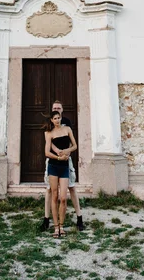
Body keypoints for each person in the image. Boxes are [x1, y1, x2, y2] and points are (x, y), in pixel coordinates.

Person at [41, 100, 84, 232]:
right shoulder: (49, 124)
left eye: (59, 108)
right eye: (55, 108)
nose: (57, 109)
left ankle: (79, 218)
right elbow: (48, 142)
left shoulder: (67, 123)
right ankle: (47, 219)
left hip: (67, 161)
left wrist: (66, 152)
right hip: (54, 161)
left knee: (71, 187)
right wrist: (58, 152)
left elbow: (72, 143)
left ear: (62, 109)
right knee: (50, 190)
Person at [44, 110, 77, 238]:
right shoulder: (50, 134)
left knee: (63, 198)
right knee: (54, 196)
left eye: (59, 118)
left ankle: (62, 226)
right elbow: (47, 152)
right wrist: (58, 158)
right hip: (53, 166)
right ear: (52, 120)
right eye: (55, 118)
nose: (57, 120)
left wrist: (66, 152)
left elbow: (75, 146)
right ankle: (56, 227)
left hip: (64, 167)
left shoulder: (67, 129)